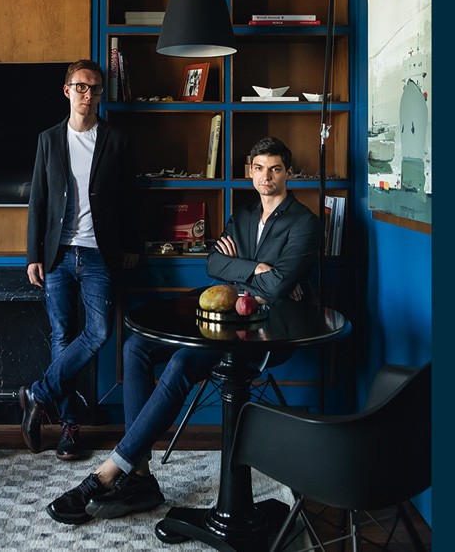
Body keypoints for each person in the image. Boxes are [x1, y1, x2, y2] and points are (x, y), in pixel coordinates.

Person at [46, 135, 322, 524]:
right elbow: (214, 263)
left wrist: (245, 270)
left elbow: (277, 287)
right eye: (259, 169)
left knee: (179, 363)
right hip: (226, 320)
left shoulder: (305, 223)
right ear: (250, 172)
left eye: (275, 169)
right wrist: (257, 268)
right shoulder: (243, 216)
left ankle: (110, 471)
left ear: (287, 173)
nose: (267, 177)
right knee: (136, 347)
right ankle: (140, 475)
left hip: (268, 332)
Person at [19, 59, 140, 461]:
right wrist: (33, 254)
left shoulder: (116, 140)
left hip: (99, 253)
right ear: (67, 90)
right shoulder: (49, 140)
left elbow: (129, 197)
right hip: (56, 254)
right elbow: (38, 200)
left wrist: (133, 244)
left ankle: (38, 394)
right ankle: (69, 428)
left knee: (99, 331)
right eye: (81, 86)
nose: (89, 94)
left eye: (95, 88)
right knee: (61, 336)